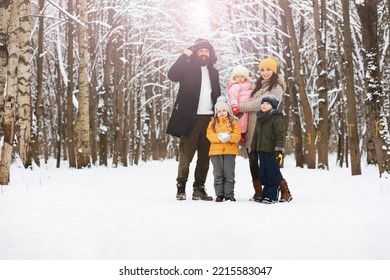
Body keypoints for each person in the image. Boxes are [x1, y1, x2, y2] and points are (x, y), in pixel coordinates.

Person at [166, 38, 221, 201]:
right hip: (190, 119)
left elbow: (216, 94)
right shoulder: (187, 68)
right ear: (196, 53)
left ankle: (199, 188)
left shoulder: (214, 72)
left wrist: (219, 115)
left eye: (206, 51)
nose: (204, 54)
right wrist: (185, 54)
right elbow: (172, 75)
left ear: (210, 54)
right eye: (200, 51)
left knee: (205, 157)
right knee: (186, 156)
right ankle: (181, 187)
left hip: (209, 119)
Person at [238, 57, 293, 202]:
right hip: (253, 128)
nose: (265, 72)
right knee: (253, 159)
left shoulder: (276, 87)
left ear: (274, 70)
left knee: (269, 162)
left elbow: (258, 104)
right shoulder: (259, 86)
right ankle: (258, 192)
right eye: (262, 69)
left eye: (268, 69)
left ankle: (284, 190)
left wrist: (241, 106)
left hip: (266, 129)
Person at [251, 96, 285, 204]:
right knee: (263, 173)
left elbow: (280, 135)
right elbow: (255, 135)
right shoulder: (260, 118)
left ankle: (272, 195)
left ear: (273, 106)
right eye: (263, 103)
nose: (264, 105)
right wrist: (253, 148)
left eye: (267, 103)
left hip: (272, 151)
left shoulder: (276, 118)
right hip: (261, 150)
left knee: (272, 173)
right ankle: (265, 193)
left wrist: (279, 151)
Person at [206, 96, 241, 202]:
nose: (222, 113)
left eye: (224, 110)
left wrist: (229, 137)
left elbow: (237, 135)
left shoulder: (233, 123)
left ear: (228, 111)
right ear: (216, 112)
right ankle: (219, 194)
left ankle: (229, 195)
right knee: (218, 174)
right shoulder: (212, 123)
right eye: (219, 111)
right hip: (215, 152)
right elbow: (209, 135)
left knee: (229, 174)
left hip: (230, 152)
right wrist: (219, 137)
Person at [227, 65, 254, 143]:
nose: (239, 78)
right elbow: (233, 97)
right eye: (237, 76)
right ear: (234, 78)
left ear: (246, 77)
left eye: (242, 76)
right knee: (242, 120)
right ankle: (240, 133)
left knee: (250, 121)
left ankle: (246, 132)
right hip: (241, 106)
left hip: (250, 104)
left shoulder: (249, 84)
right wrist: (234, 106)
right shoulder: (235, 86)